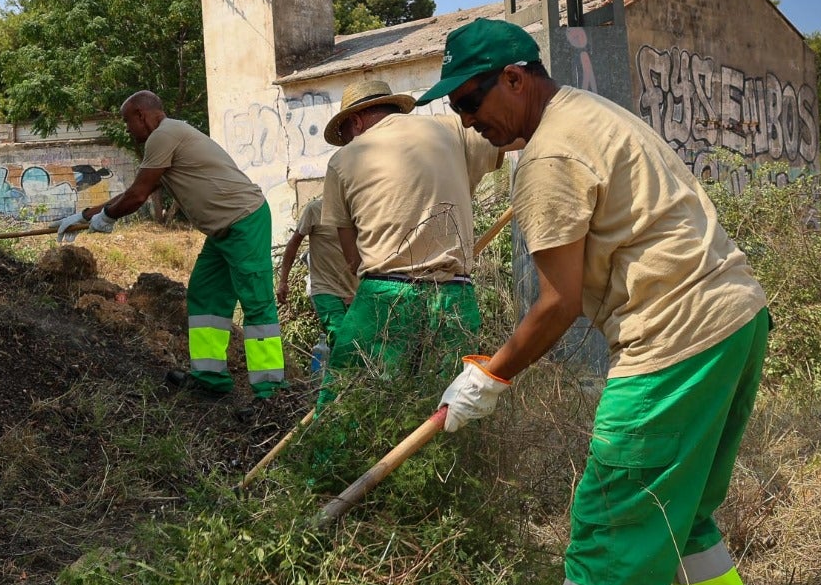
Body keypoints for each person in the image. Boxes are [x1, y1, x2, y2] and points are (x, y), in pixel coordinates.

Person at [417, 17, 787, 585]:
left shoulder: (549, 158)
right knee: (681, 519)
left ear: (516, 78)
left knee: (611, 525)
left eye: (470, 101)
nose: (467, 121)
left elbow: (555, 306)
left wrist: (488, 377)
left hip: (676, 340)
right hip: (735, 318)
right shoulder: (591, 112)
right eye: (456, 110)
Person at [58, 90, 286, 412]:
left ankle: (270, 393)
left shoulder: (163, 136)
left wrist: (107, 218)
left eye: (127, 122)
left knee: (257, 303)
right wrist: (84, 216)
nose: (127, 130)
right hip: (224, 229)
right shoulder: (171, 136)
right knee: (205, 296)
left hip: (244, 222)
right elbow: (136, 190)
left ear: (141, 115)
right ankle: (210, 378)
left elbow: (138, 195)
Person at [316, 78, 503, 407]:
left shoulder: (343, 161)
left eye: (344, 135)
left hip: (384, 297)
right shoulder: (454, 131)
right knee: (447, 407)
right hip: (456, 297)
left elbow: (351, 256)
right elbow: (511, 140)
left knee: (349, 403)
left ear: (356, 122)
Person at [275, 195, 357, 365]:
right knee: (342, 338)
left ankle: (329, 377)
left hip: (355, 290)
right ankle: (335, 388)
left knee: (356, 342)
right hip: (324, 288)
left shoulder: (359, 211)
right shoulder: (315, 210)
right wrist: (283, 281)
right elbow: (293, 244)